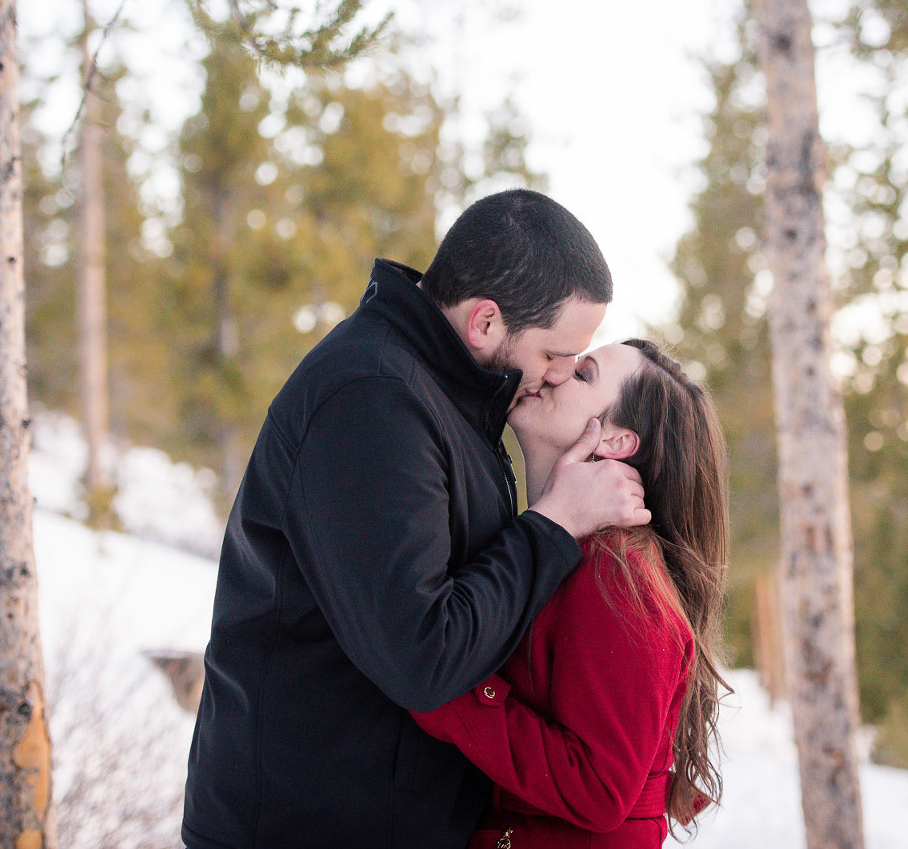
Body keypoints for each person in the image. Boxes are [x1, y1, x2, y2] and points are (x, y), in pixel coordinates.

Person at [183, 190, 651, 849]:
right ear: (486, 322)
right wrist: (552, 526)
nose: (559, 376)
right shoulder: (371, 399)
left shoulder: (447, 395)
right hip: (305, 825)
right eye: (553, 353)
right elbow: (422, 658)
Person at [412, 339, 730, 848]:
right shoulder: (557, 549)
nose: (556, 371)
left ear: (618, 442)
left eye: (584, 374)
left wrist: (433, 674)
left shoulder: (617, 575)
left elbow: (600, 789)